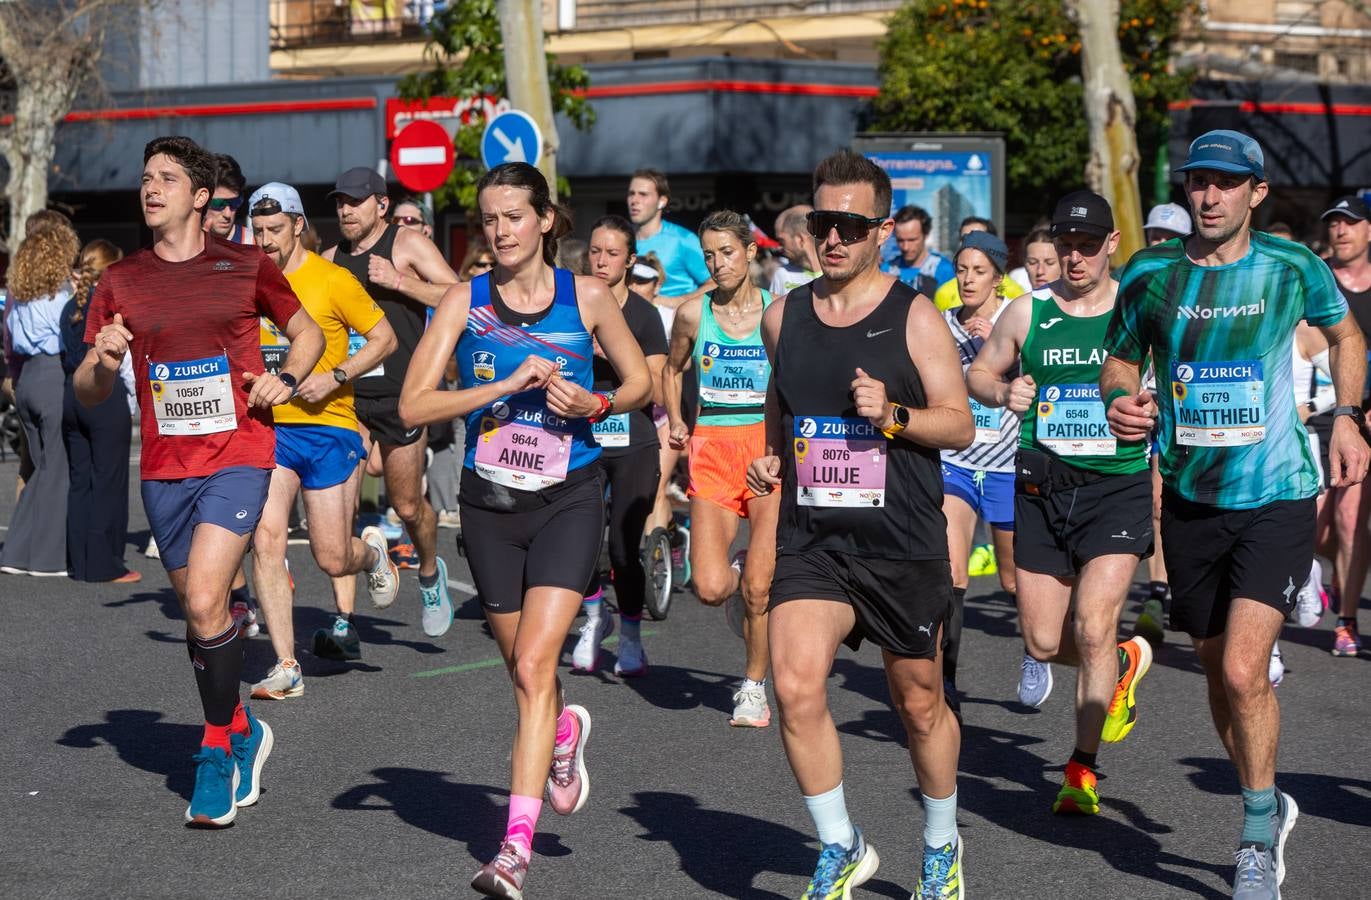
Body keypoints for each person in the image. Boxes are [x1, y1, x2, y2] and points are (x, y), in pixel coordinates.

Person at [1102, 129, 1369, 897]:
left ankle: (1255, 828)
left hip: (1277, 494)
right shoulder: (1151, 274)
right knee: (1221, 675)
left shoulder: (1289, 267)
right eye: (1198, 181)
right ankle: (1267, 795)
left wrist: (1347, 414)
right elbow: (1118, 358)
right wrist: (1120, 400)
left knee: (1248, 669)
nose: (1208, 195)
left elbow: (1346, 333)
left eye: (1225, 183)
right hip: (1189, 500)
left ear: (1256, 193)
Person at [398, 161, 650, 898]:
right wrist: (501, 386)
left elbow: (637, 384)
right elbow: (413, 406)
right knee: (523, 674)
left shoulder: (590, 297)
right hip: (488, 506)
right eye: (490, 218)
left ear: (544, 220)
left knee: (537, 668)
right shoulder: (463, 302)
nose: (500, 230)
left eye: (514, 216)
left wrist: (595, 406)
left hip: (569, 496)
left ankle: (513, 849)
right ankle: (563, 737)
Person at [75, 135, 325, 826]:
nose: (150, 188)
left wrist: (287, 375)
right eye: (145, 178)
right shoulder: (122, 279)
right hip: (163, 469)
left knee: (212, 595)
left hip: (240, 452)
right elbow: (90, 390)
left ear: (198, 195)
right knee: (201, 615)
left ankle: (214, 754)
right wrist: (101, 358)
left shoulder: (244, 265)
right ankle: (243, 727)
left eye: (165, 178)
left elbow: (307, 333)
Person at [747, 149, 973, 899]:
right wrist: (770, 464)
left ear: (880, 230)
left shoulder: (913, 316)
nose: (832, 238)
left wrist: (896, 415)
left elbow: (960, 425)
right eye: (821, 223)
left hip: (901, 540)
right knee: (795, 685)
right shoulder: (783, 317)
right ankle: (840, 844)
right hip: (815, 541)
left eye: (848, 224)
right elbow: (779, 421)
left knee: (918, 703)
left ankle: (941, 847)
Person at [967, 189, 1156, 816]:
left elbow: (1179, 374)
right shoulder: (1028, 311)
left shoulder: (1140, 307)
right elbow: (979, 373)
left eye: (1087, 245)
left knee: (1094, 624)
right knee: (1046, 642)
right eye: (1065, 245)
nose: (1074, 258)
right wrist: (1003, 392)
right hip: (1041, 487)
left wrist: (1155, 410)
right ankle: (1122, 662)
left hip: (1116, 486)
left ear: (1112, 245)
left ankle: (1081, 768)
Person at [245, 182, 401, 699]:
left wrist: (336, 375)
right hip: (270, 428)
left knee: (332, 557)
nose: (265, 240)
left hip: (328, 426)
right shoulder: (247, 278)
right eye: (258, 230)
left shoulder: (332, 280)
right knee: (266, 539)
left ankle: (374, 556)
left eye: (274, 230)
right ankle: (287, 665)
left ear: (297, 225)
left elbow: (385, 339)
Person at [322, 166, 461, 638]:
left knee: (406, 506)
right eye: (340, 202)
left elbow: (458, 296)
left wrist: (401, 283)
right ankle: (344, 620)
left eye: (355, 202)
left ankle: (427, 572)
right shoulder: (329, 258)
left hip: (402, 395)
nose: (345, 210)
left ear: (381, 205)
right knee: (341, 512)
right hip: (346, 397)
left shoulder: (406, 245)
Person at [664, 210, 778, 728]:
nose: (718, 263)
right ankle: (733, 569)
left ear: (751, 252)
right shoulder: (693, 314)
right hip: (712, 449)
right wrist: (677, 422)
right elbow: (672, 369)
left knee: (761, 587)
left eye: (727, 252)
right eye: (709, 254)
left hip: (765, 450)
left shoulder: (781, 314)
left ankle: (753, 688)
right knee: (712, 588)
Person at [573, 215, 669, 676]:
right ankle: (596, 617)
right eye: (595, 251)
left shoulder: (644, 316)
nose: (601, 261)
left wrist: (606, 351)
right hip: (582, 437)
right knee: (581, 542)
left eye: (612, 253)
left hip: (633, 439)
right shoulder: (572, 302)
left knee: (622, 548)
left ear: (630, 261)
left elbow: (650, 386)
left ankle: (631, 636)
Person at [938, 231, 1020, 714]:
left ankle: (1039, 651)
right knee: (952, 571)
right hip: (958, 463)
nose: (968, 279)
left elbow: (1037, 382)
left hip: (1007, 466)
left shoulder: (1017, 323)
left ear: (997, 277)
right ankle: (946, 680)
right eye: (962, 270)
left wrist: (997, 350)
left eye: (979, 271)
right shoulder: (941, 325)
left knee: (1013, 582)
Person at [1, 221, 80, 577]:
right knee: (55, 468)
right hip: (51, 375)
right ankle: (48, 559)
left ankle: (16, 552)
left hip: (28, 378)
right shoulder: (60, 295)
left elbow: (11, 343)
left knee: (37, 469)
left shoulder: (21, 299)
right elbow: (67, 341)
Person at [61, 239, 139, 584]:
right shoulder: (108, 306)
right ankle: (106, 565)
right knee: (109, 481)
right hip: (104, 393)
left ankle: (78, 561)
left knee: (80, 481)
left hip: (71, 393)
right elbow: (123, 363)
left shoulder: (69, 307)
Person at [1319, 195, 1371, 657]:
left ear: (1369, 231)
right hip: (1319, 416)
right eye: (1334, 223)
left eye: (1350, 222)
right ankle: (1327, 573)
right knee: (1319, 528)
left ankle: (1347, 620)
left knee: (1351, 518)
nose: (1341, 230)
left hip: (1367, 417)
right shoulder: (1316, 280)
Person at [626, 168, 713, 305]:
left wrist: (676, 302)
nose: (634, 200)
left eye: (643, 194)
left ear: (662, 201)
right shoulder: (623, 240)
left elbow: (715, 283)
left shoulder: (683, 240)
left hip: (677, 323)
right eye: (631, 194)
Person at [934, 217, 1024, 312]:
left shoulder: (1015, 294)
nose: (968, 280)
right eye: (964, 238)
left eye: (979, 272)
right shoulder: (944, 292)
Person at [883, 204, 956, 298]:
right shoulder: (887, 269)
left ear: (926, 235)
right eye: (900, 240)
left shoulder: (944, 270)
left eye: (912, 240)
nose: (906, 247)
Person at [770, 204, 820, 297]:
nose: (779, 248)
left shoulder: (834, 273)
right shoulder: (782, 275)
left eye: (782, 241)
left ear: (800, 240)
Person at [205, 153, 253, 244]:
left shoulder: (255, 245)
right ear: (200, 200)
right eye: (219, 204)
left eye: (235, 202)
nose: (227, 214)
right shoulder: (179, 245)